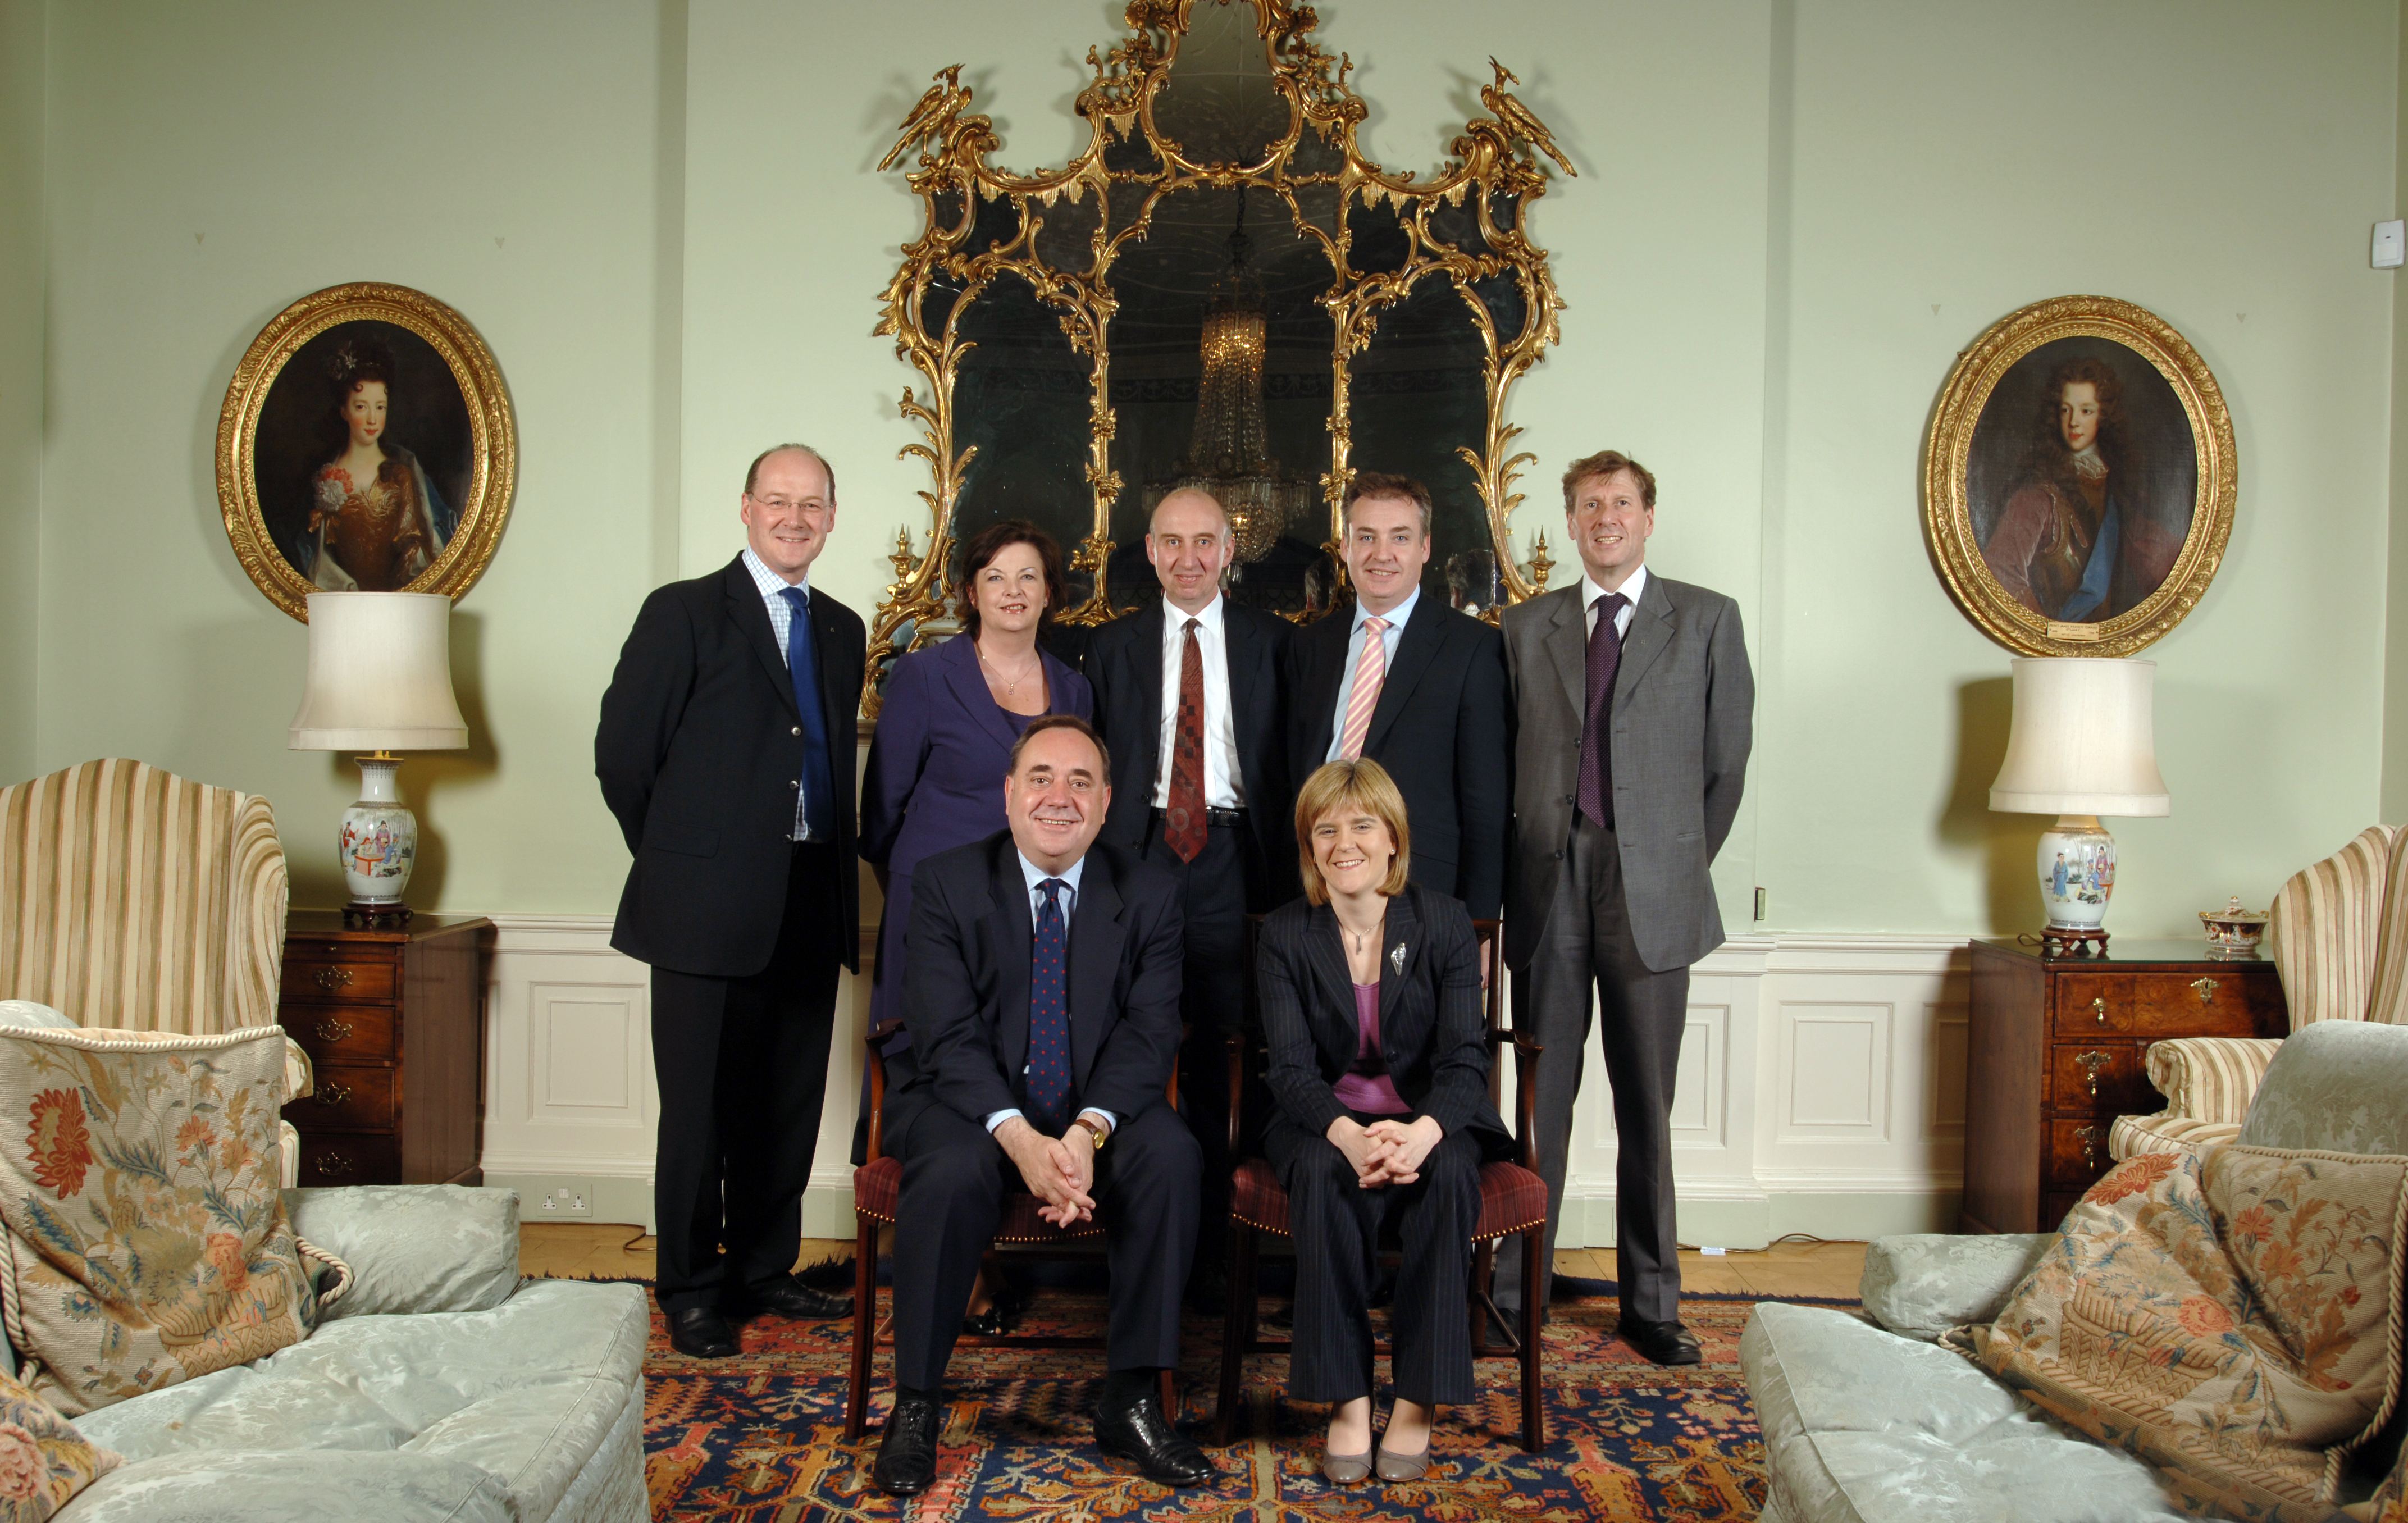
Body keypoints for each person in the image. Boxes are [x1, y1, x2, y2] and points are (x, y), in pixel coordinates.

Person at [870, 715, 1211, 1497]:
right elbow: (944, 1033)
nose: (1059, 798)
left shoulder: (1150, 893)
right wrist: (1021, 1138)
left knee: (1171, 1155)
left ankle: (1130, 1400)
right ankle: (917, 1405)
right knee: (953, 1171)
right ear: (1009, 795)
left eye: (1080, 783)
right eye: (1041, 779)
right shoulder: (946, 881)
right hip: (968, 1104)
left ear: (1106, 805)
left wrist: (1089, 1131)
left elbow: (1150, 1030)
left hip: (1096, 1106)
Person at [595, 443, 863, 1360]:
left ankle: (764, 1267)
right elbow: (623, 757)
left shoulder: (840, 627)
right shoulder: (682, 613)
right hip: (703, 904)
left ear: (832, 517)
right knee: (702, 1111)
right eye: (778, 501)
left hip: (811, 892)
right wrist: (682, 860)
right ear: (745, 509)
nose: (795, 518)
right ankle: (692, 1287)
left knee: (784, 1103)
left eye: (812, 504)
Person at [1497, 449, 1753, 1366]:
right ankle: (1512, 1295)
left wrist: (1670, 862)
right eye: (1587, 506)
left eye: (1620, 503)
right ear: (1569, 523)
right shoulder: (1523, 626)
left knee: (1647, 1102)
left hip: (1652, 886)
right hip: (1546, 879)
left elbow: (1724, 768)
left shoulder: (1707, 620)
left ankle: (1650, 1303)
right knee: (1540, 1102)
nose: (1604, 518)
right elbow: (1503, 760)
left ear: (1647, 518)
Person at [1256, 757, 1510, 1484]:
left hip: (1431, 1117)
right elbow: (1293, 1070)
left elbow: (1466, 1058)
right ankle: (1345, 1397)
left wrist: (1423, 1133)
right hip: (1322, 1123)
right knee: (1316, 1174)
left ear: (1393, 838)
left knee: (1452, 1176)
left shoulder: (1444, 923)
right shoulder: (1285, 935)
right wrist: (1348, 1134)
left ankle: (1417, 1401)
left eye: (1363, 825)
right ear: (1310, 847)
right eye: (1326, 829)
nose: (1345, 843)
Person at [1082, 487, 1292, 1312]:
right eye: (1172, 543)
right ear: (1149, 548)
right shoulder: (1110, 648)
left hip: (1238, 861)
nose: (1189, 558)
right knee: (1128, 1041)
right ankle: (1126, 1239)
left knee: (1227, 1053)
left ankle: (1212, 1250)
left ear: (1230, 548)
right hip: (1136, 859)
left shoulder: (1277, 645)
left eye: (1204, 542)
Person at [1286, 471, 1510, 921]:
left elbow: (1487, 806)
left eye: (1400, 537)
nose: (1381, 554)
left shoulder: (1473, 648)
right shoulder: (1310, 645)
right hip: (1317, 889)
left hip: (1424, 895)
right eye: (1366, 537)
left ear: (1425, 548)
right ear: (1345, 547)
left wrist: (1483, 926)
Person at [1980, 356, 2181, 623]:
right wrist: (2046, 633)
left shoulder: (2119, 487)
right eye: (2066, 410)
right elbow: (1999, 570)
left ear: (2104, 416)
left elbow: (2162, 561)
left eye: (2086, 411)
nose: (2074, 422)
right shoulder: (2038, 497)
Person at [299, 339, 455, 591]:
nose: (372, 419)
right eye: (361, 407)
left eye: (380, 407)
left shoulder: (401, 475)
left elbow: (416, 549)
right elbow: (315, 555)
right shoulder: (324, 477)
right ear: (344, 411)